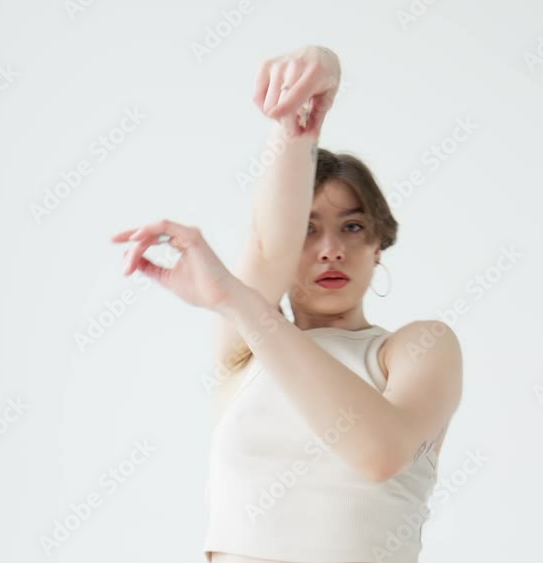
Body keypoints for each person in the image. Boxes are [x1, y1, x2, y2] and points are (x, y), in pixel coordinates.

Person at [111, 45, 463, 563]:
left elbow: (381, 452)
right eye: (308, 230)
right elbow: (266, 245)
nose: (330, 249)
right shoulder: (247, 351)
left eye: (352, 227)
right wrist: (295, 124)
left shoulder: (417, 347)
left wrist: (237, 299)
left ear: (378, 245)